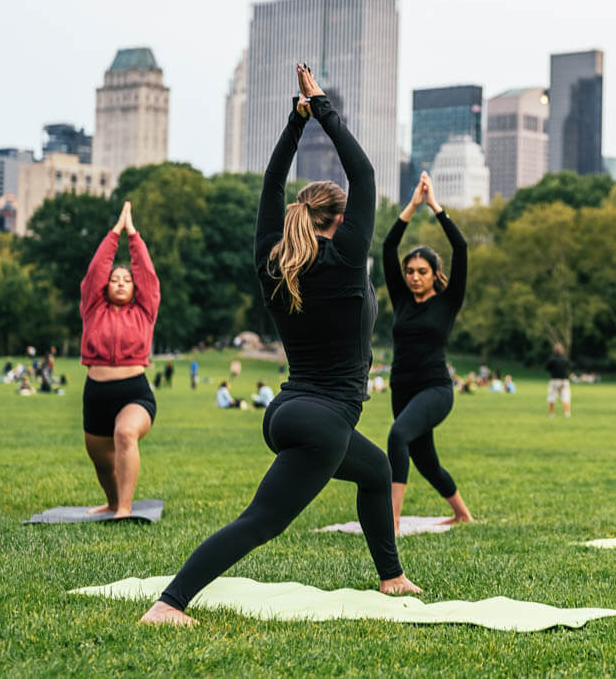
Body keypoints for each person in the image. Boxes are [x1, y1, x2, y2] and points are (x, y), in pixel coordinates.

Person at [141, 64, 417, 627]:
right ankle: (168, 605)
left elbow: (271, 186)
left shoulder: (272, 259)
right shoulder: (342, 261)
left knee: (374, 469)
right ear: (338, 224)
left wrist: (298, 124)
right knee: (261, 522)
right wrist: (322, 111)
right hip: (322, 419)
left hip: (288, 411)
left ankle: (391, 575)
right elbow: (363, 174)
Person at [381, 170, 473, 534]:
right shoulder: (402, 300)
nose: (414, 276)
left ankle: (392, 521)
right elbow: (388, 248)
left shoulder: (448, 303)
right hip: (401, 387)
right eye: (410, 271)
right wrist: (411, 206)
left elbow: (462, 249)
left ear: (435, 274)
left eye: (421, 271)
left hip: (435, 389)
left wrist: (435, 206)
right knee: (425, 460)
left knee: (397, 436)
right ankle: (463, 513)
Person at [79, 200, 162, 520]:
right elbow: (96, 270)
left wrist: (133, 235)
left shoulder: (144, 310)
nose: (120, 283)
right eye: (115, 279)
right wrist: (114, 232)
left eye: (127, 280)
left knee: (125, 434)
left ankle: (124, 509)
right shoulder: (92, 308)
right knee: (101, 459)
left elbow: (148, 275)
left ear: (134, 288)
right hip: (96, 392)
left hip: (134, 391)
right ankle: (113, 503)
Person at [547, 343, 571, 418]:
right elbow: (570, 367)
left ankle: (551, 414)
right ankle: (567, 414)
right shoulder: (565, 359)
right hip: (564, 380)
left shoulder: (552, 359)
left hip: (554, 380)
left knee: (552, 397)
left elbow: (547, 368)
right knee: (566, 397)